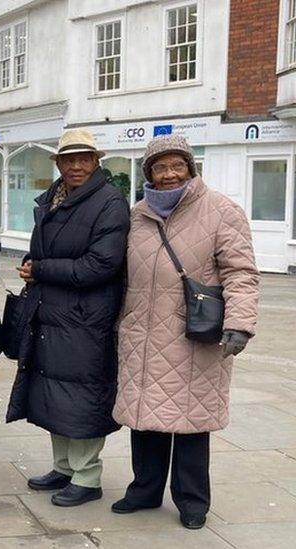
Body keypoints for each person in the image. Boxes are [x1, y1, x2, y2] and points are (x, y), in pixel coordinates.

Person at [111, 135, 259, 529]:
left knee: (192, 422)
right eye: (160, 167)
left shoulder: (222, 211)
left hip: (193, 335)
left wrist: (240, 323)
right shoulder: (137, 215)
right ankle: (144, 489)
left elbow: (241, 273)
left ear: (191, 168)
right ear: (150, 174)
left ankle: (192, 501)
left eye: (178, 165)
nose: (170, 173)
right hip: (141, 334)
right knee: (146, 418)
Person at [6, 129, 130, 507]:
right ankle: (63, 468)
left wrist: (41, 269)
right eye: (69, 159)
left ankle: (87, 477)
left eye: (84, 158)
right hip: (51, 313)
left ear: (96, 162)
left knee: (83, 395)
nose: (76, 165)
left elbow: (101, 265)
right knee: (53, 391)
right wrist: (34, 269)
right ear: (58, 163)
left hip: (85, 319)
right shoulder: (53, 199)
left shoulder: (110, 202)